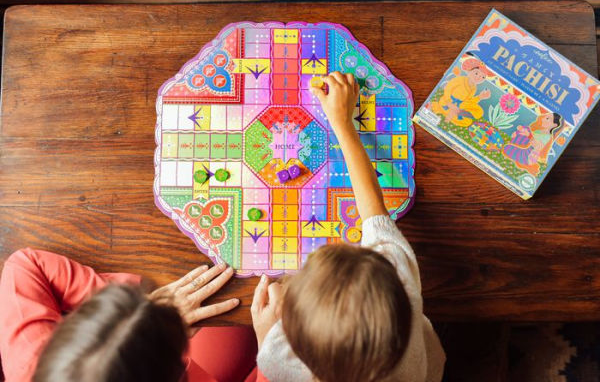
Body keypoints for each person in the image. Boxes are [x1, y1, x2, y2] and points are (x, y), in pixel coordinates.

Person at [249, 71, 446, 382]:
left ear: (291, 337)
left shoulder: (278, 361)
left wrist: (265, 336)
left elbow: (272, 365)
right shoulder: (398, 270)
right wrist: (342, 122)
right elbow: (374, 213)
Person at [0, 248, 257, 382]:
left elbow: (24, 265)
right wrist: (272, 360)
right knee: (242, 338)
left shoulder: (29, 362)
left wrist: (138, 310)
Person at [431, 54, 492, 127]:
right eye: (476, 73)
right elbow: (448, 88)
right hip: (448, 102)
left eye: (482, 77)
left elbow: (468, 101)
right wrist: (449, 103)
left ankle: (457, 112)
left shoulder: (473, 88)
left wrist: (480, 97)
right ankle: (447, 112)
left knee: (479, 112)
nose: (478, 77)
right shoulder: (460, 79)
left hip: (460, 106)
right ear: (469, 71)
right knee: (461, 118)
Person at [502, 112, 563, 176]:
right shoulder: (538, 131)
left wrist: (528, 135)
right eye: (545, 117)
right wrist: (520, 132)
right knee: (526, 129)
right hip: (525, 149)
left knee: (507, 148)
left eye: (547, 118)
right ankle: (514, 144)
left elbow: (536, 145)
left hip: (529, 156)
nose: (543, 119)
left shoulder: (547, 136)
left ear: (554, 125)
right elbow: (528, 139)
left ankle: (526, 165)